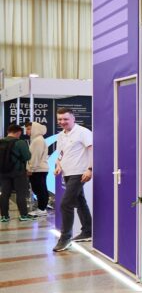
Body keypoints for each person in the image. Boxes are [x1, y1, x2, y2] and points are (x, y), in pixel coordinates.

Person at [53, 107, 93, 252]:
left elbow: (92, 150)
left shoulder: (83, 132)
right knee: (80, 201)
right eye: (60, 119)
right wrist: (58, 165)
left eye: (65, 119)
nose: (62, 122)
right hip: (67, 173)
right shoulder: (61, 135)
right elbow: (61, 153)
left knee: (66, 204)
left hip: (79, 173)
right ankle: (88, 231)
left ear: (73, 118)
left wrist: (90, 169)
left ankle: (65, 238)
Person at [0, 123, 35, 223]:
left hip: (3, 172)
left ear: (8, 132)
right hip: (18, 172)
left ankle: (4, 216)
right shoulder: (20, 143)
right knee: (20, 193)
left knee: (4, 194)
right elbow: (27, 156)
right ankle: (23, 215)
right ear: (18, 132)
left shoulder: (1, 141)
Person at [25, 121, 50, 215]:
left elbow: (35, 156)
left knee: (40, 189)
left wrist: (30, 169)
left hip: (38, 169)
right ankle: (42, 208)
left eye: (29, 129)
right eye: (26, 129)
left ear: (35, 129)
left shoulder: (38, 140)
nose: (27, 131)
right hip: (38, 169)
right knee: (40, 189)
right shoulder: (37, 139)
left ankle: (42, 209)